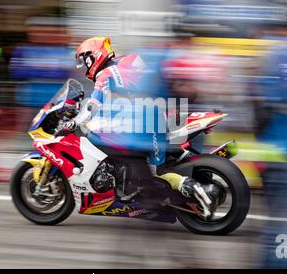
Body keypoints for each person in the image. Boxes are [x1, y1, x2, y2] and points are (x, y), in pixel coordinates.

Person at [56, 36, 221, 218]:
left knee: (149, 174)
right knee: (153, 168)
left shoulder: (106, 74)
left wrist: (74, 122)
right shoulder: (126, 64)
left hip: (146, 124)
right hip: (158, 115)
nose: (84, 67)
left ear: (92, 57)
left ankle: (194, 189)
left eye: (84, 61)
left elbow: (92, 105)